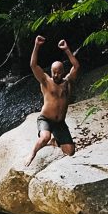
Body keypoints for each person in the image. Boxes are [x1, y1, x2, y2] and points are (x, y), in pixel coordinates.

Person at [25, 35, 80, 166]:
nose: (55, 75)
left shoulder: (67, 82)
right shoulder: (45, 81)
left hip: (59, 123)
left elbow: (76, 66)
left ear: (63, 71)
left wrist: (66, 49)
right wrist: (37, 46)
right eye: (53, 72)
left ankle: (55, 142)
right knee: (45, 137)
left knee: (70, 151)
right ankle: (33, 152)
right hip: (46, 119)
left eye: (58, 72)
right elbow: (33, 65)